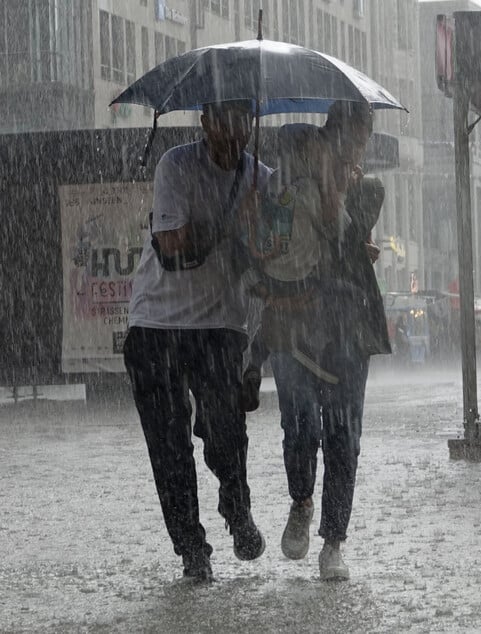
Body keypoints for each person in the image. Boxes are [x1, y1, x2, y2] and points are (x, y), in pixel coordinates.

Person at [123, 100, 270, 583]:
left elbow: (272, 262)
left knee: (226, 431)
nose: (233, 131)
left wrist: (263, 229)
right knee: (169, 447)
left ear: (252, 122)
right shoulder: (177, 165)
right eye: (222, 118)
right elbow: (172, 244)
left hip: (220, 326)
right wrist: (234, 221)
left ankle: (237, 504)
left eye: (242, 118)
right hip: (157, 324)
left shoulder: (263, 180)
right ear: (205, 122)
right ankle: (192, 551)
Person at [257, 100, 379, 580]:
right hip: (293, 319)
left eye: (360, 144)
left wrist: (341, 191)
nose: (356, 152)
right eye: (353, 141)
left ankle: (334, 541)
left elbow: (350, 242)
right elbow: (272, 246)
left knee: (344, 434)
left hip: (346, 327)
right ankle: (302, 500)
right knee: (300, 423)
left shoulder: (365, 187)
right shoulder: (289, 178)